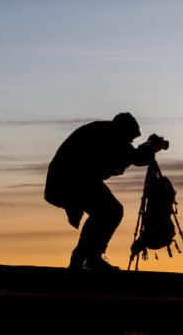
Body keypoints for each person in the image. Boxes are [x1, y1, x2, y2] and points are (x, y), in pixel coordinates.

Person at [44, 112, 167, 270]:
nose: (130, 142)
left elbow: (130, 155)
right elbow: (137, 158)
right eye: (130, 138)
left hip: (70, 181)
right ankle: (90, 257)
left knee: (104, 212)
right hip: (71, 180)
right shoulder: (111, 136)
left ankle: (82, 259)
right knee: (111, 210)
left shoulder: (104, 132)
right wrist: (151, 147)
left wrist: (147, 148)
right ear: (124, 131)